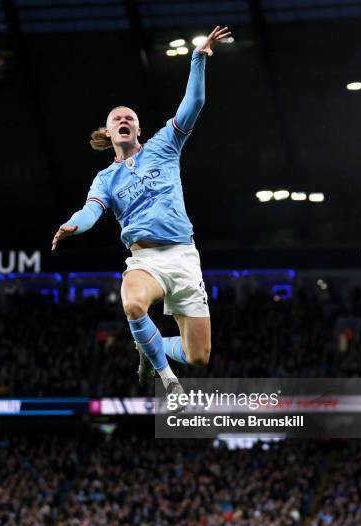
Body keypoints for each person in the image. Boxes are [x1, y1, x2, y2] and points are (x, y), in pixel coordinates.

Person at [51, 26, 231, 394]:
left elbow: (193, 104)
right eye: (116, 118)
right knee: (133, 305)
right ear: (108, 131)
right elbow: (90, 212)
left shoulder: (164, 146)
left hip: (183, 256)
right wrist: (72, 225)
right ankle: (168, 380)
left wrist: (198, 59)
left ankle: (152, 349)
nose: (123, 120)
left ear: (138, 129)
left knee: (198, 356)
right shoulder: (106, 179)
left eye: (129, 117)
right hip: (145, 261)